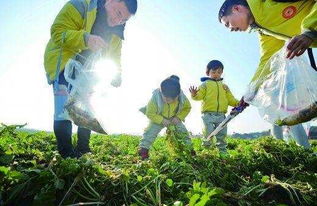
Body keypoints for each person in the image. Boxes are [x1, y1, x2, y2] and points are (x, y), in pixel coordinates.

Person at [44, 0, 138, 158]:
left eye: (124, 20)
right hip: (64, 63)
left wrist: (117, 74)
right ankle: (66, 154)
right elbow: (57, 32)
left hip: (87, 73)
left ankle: (83, 150)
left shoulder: (117, 30)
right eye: (118, 13)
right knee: (63, 108)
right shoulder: (81, 5)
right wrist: (85, 39)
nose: (118, 21)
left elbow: (115, 56)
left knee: (85, 110)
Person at [218, 0, 316, 148]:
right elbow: (267, 60)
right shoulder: (263, 31)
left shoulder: (268, 2)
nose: (230, 29)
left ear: (237, 8)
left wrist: (309, 30)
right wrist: (250, 92)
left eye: (227, 24)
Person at [190, 60, 239, 153]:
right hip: (208, 114)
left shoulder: (224, 87)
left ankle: (223, 152)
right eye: (213, 72)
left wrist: (239, 103)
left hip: (221, 115)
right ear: (208, 72)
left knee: (222, 134)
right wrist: (194, 94)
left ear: (222, 73)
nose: (216, 74)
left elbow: (230, 99)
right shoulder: (205, 85)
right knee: (208, 133)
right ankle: (206, 151)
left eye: (219, 72)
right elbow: (199, 96)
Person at [139, 75, 193, 160]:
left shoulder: (182, 96)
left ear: (178, 95)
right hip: (158, 116)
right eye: (166, 99)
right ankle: (143, 150)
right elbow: (150, 113)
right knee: (150, 132)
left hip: (174, 118)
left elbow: (187, 108)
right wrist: (162, 120)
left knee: (183, 133)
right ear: (161, 92)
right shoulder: (155, 97)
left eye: (173, 99)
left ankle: (190, 150)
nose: (170, 101)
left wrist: (178, 117)